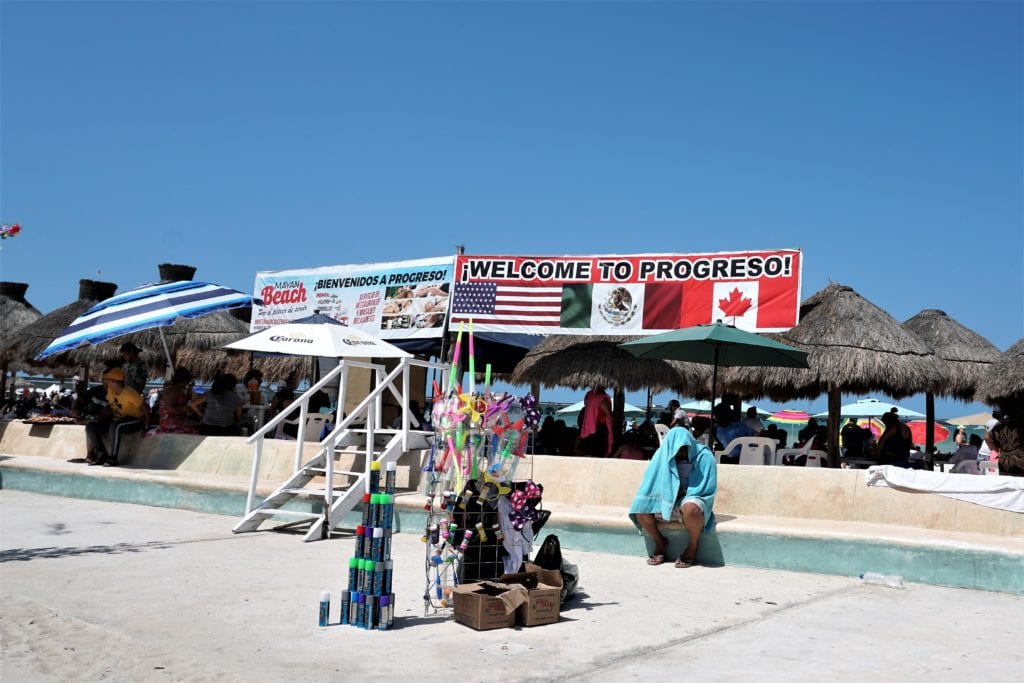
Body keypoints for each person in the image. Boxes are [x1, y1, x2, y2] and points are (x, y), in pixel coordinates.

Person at [629, 427, 717, 568]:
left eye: (684, 449)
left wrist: (684, 493)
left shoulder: (704, 457)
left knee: (691, 509)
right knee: (640, 506)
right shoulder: (662, 455)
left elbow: (705, 489)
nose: (680, 452)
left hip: (692, 497)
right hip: (667, 499)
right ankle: (660, 542)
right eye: (677, 450)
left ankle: (693, 547)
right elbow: (651, 483)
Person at [84, 367, 150, 466]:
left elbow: (146, 409)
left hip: (135, 420)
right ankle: (102, 453)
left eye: (108, 380)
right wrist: (98, 416)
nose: (105, 382)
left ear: (114, 382)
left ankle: (113, 458)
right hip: (118, 419)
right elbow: (111, 407)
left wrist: (146, 426)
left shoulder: (130, 393)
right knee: (91, 427)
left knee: (115, 426)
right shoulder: (111, 390)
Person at [158, 367, 198, 434]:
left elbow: (187, 400)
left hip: (178, 420)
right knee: (199, 428)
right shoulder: (174, 391)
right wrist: (184, 408)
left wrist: (190, 389)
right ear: (184, 380)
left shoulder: (178, 389)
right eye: (187, 382)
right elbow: (168, 408)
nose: (187, 383)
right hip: (170, 424)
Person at [577, 386, 613, 457]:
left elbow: (587, 407)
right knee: (597, 454)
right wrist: (616, 420)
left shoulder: (588, 395)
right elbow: (609, 415)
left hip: (588, 427)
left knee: (589, 452)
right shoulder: (601, 398)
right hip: (599, 428)